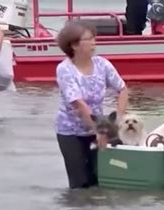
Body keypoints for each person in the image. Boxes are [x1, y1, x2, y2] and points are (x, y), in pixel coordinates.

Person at [55, 21, 129, 189]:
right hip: (71, 132)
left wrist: (118, 118)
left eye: (94, 38)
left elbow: (123, 89)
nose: (94, 42)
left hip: (100, 127)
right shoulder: (65, 69)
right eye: (88, 39)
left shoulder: (102, 64)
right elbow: (79, 105)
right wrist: (99, 131)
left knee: (103, 179)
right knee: (80, 184)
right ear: (74, 45)